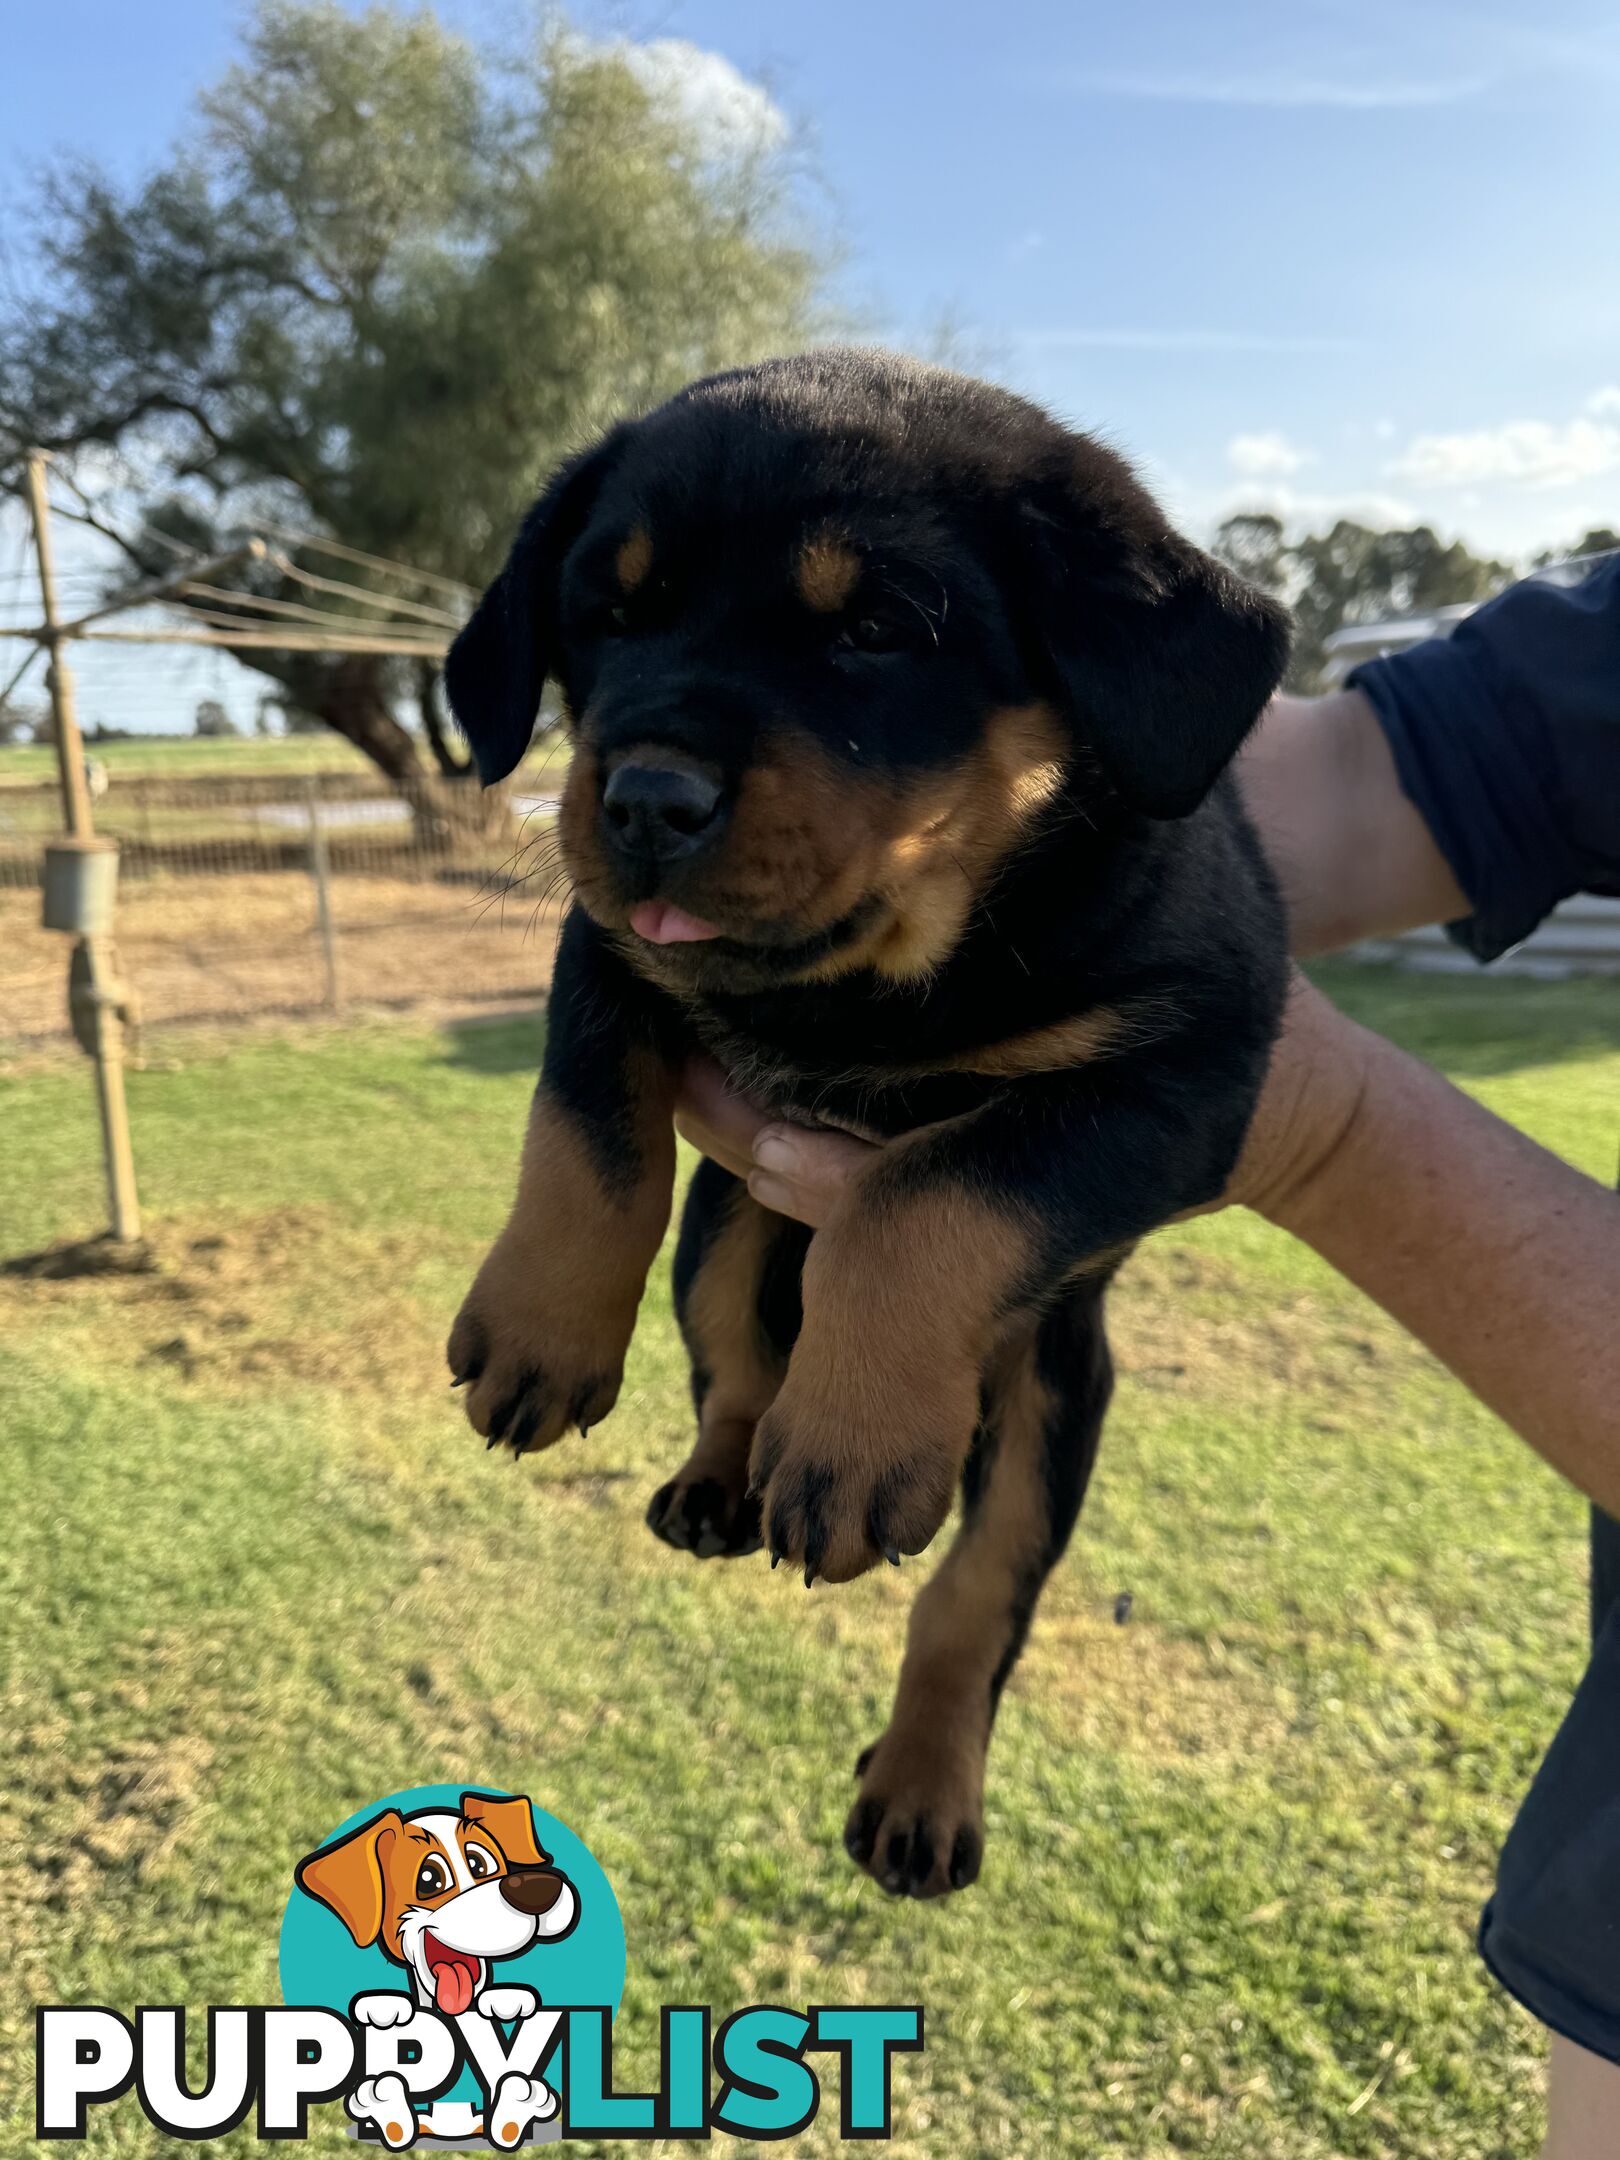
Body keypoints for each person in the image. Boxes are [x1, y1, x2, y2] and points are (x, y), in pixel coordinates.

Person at [672, 555, 1620, 2160]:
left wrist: (1300, 1118)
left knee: (1032, 1442)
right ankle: (726, 1431)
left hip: (1047, 1234)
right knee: (730, 1263)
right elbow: (1321, 790)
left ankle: (946, 1695)